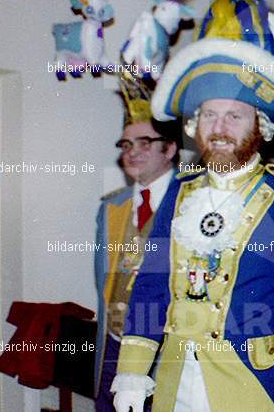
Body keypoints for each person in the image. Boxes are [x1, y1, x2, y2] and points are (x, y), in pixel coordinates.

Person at [110, 0, 274, 412]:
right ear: (191, 125)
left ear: (259, 126)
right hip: (170, 386)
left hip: (248, 391)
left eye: (234, 116)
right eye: (208, 116)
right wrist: (131, 372)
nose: (218, 130)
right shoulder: (179, 195)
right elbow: (150, 286)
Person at [94, 96, 179, 412]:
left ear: (169, 149)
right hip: (113, 348)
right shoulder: (111, 207)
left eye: (143, 143)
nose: (132, 153)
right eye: (126, 145)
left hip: (166, 350)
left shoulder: (192, 201)